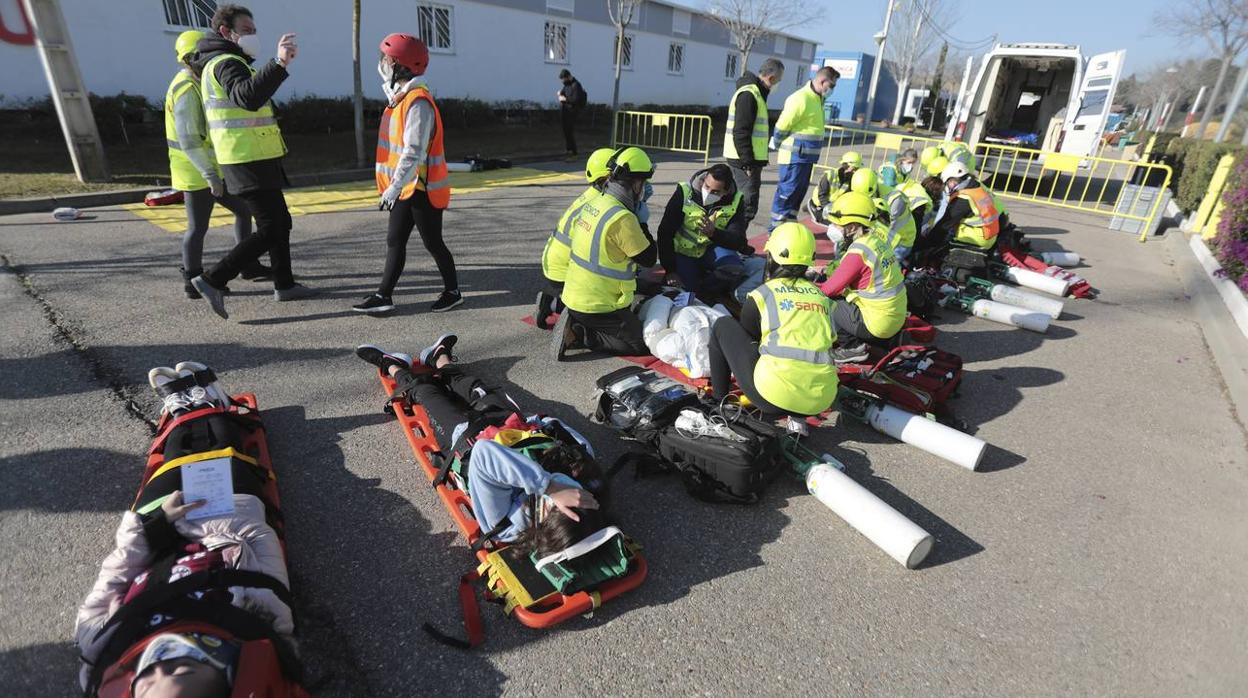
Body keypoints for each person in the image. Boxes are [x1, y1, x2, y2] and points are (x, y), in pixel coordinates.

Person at [75, 366, 296, 695]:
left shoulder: (101, 643)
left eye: (147, 683)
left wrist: (159, 527)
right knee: (223, 446)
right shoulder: (259, 621)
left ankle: (182, 409)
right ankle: (210, 404)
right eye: (180, 666)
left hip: (157, 529)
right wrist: (217, 514)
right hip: (228, 520)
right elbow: (262, 545)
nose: (160, 666)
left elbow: (116, 571)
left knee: (176, 455)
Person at [354, 337, 607, 554]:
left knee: (429, 396)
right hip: (513, 428)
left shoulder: (506, 525)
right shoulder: (583, 488)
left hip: (466, 441)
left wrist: (549, 486)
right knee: (477, 389)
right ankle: (439, 359)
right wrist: (542, 424)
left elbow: (485, 455)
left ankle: (394, 367)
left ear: (542, 519)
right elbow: (574, 440)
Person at [189, 4, 315, 319]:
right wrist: (279, 63)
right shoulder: (226, 62)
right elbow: (247, 97)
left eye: (254, 30)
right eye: (247, 30)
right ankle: (212, 278)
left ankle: (284, 285)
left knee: (278, 223)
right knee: (274, 226)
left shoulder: (227, 62)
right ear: (225, 32)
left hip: (254, 157)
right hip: (246, 160)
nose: (253, 36)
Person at [353, 33, 461, 315]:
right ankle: (383, 295)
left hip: (421, 188)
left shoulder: (419, 103)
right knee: (395, 240)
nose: (381, 62)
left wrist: (393, 186)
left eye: (386, 59)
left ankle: (453, 292)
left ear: (400, 65)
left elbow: (414, 151)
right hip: (405, 187)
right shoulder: (402, 98)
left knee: (433, 243)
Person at [165, 29, 267, 301]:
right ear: (189, 59)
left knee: (244, 212)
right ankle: (192, 278)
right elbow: (188, 139)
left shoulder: (197, 83)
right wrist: (210, 175)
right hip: (196, 171)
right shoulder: (186, 88)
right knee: (198, 226)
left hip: (210, 168)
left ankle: (247, 264)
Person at [706, 222, 839, 417]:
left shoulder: (764, 294)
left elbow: (749, 340)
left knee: (722, 326)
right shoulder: (822, 298)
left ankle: (719, 402)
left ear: (772, 258)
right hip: (820, 400)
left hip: (772, 398)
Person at [552, 147, 658, 360]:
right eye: (643, 183)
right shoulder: (623, 218)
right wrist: (642, 222)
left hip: (576, 292)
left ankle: (576, 317)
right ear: (635, 183)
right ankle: (579, 333)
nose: (644, 188)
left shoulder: (597, 202)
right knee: (642, 345)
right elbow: (648, 258)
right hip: (598, 304)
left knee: (648, 292)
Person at [818, 192, 908, 362]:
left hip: (878, 324)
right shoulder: (876, 241)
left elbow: (827, 291)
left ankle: (852, 348)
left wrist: (803, 286)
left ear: (852, 227)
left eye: (837, 224)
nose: (832, 228)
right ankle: (881, 341)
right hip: (895, 317)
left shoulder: (859, 252)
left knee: (827, 303)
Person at [533, 148, 614, 329]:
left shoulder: (589, 195)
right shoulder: (602, 202)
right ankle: (559, 307)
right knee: (599, 302)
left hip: (552, 264)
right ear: (609, 177)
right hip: (565, 270)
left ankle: (550, 298)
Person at [655, 163, 751, 295]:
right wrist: (670, 270)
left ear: (726, 191)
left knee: (733, 269)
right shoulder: (684, 193)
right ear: (704, 179)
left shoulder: (736, 200)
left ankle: (706, 291)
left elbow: (738, 240)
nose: (708, 193)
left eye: (715, 192)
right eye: (706, 186)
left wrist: (714, 233)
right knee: (683, 292)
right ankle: (693, 283)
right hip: (684, 253)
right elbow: (665, 232)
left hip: (710, 250)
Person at [768, 66, 839, 231]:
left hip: (806, 159)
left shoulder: (818, 99)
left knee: (798, 194)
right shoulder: (800, 98)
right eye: (832, 85)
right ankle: (776, 229)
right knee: (787, 193)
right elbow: (783, 125)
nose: (833, 90)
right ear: (822, 81)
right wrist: (776, 143)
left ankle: (789, 225)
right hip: (794, 158)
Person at [723, 58, 786, 227]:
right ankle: (734, 244)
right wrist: (748, 164)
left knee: (742, 205)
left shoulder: (756, 93)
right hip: (743, 162)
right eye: (778, 81)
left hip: (746, 161)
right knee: (745, 206)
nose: (777, 85)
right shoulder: (750, 94)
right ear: (771, 78)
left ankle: (735, 242)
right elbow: (741, 132)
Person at [928, 161, 1001, 251]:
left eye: (947, 183)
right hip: (990, 234)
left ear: (953, 180)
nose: (947, 186)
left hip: (980, 238)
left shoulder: (964, 198)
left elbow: (945, 223)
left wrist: (927, 241)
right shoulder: (976, 187)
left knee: (945, 232)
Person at [849, 168, 916, 263]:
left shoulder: (894, 200)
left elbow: (886, 234)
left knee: (878, 268)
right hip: (880, 235)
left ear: (875, 187)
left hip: (900, 242)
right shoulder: (861, 191)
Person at [806, 150, 862, 223]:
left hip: (835, 207)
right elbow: (822, 196)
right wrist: (829, 209)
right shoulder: (829, 175)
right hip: (820, 206)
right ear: (846, 166)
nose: (855, 172)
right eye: (854, 169)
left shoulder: (851, 180)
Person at [557, 69, 587, 158]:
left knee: (569, 132)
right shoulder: (567, 85)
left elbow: (575, 99)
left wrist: (565, 99)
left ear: (568, 77)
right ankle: (568, 150)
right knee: (566, 132)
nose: (563, 82)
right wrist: (560, 94)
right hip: (565, 111)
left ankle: (574, 152)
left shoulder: (576, 85)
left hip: (572, 112)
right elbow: (563, 92)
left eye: (564, 79)